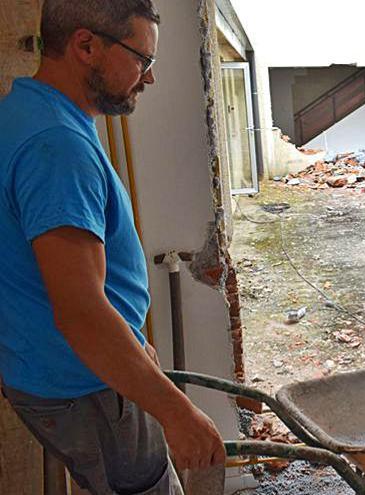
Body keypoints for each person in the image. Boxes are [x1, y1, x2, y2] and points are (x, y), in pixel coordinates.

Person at [0, 1, 225, 493]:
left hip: (61, 370)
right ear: (86, 46)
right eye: (142, 60)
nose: (149, 79)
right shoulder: (56, 145)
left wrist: (125, 339)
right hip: (85, 387)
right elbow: (81, 311)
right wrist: (177, 412)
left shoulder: (23, 112)